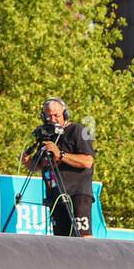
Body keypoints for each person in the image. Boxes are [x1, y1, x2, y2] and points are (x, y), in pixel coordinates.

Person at [21, 98, 96, 237]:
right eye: (48, 115)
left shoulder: (77, 130)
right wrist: (27, 161)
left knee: (82, 236)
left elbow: (87, 161)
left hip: (77, 193)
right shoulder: (47, 136)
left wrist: (60, 154)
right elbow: (36, 166)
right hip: (56, 197)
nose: (52, 119)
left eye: (56, 115)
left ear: (65, 114)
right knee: (61, 240)